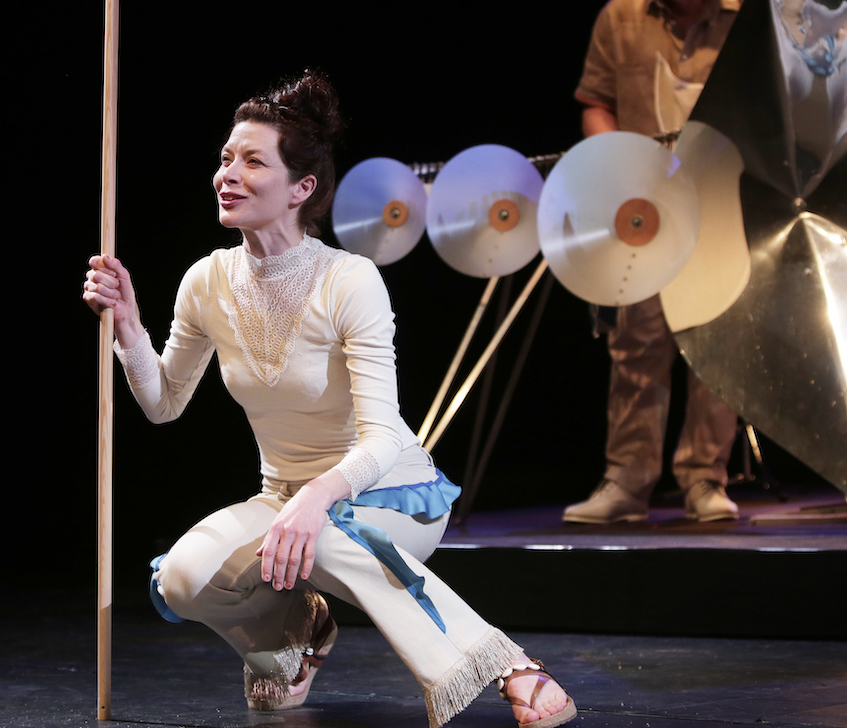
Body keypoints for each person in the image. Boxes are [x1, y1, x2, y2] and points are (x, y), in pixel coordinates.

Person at [83, 71, 576, 728]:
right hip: (287, 498)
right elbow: (163, 402)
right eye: (226, 158)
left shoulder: (349, 279)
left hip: (388, 493)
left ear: (302, 188)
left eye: (252, 161)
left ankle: (504, 661)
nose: (227, 174)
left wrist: (316, 499)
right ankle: (292, 640)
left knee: (325, 534)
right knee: (182, 577)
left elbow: (382, 438)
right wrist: (128, 327)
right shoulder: (206, 280)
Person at [565, 0, 751, 525]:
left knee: (716, 341)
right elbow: (595, 100)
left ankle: (704, 479)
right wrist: (616, 163)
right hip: (646, 206)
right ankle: (626, 482)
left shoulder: (750, 9)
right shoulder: (621, 15)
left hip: (725, 203)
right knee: (636, 346)